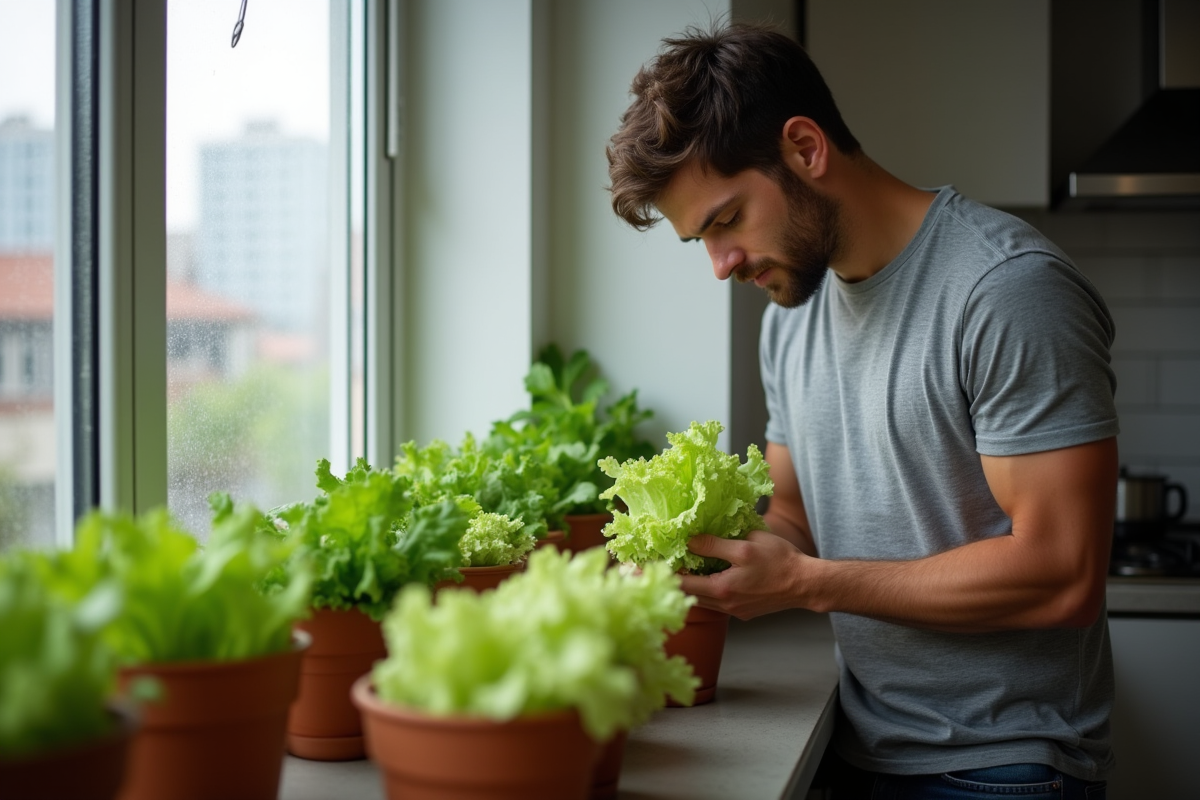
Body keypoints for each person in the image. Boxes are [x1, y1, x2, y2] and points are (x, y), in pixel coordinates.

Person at [606, 21, 1119, 800]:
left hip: (1004, 765)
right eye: (699, 242)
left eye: (726, 221)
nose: (721, 267)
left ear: (806, 149)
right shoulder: (789, 317)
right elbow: (793, 514)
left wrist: (808, 583)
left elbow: (1061, 573)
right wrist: (701, 558)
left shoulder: (1005, 291)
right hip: (861, 740)